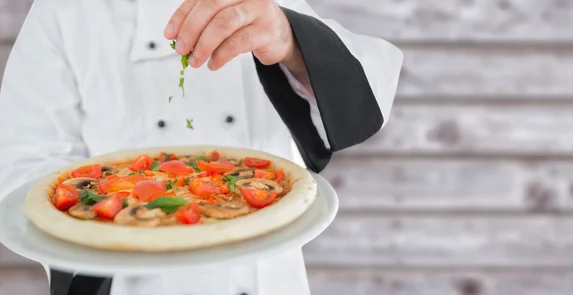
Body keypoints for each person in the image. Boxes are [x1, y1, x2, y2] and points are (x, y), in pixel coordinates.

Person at [0, 0, 403, 294]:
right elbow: (24, 162)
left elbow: (364, 94)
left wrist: (289, 40)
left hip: (263, 279)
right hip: (126, 281)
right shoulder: (62, 11)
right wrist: (109, 212)